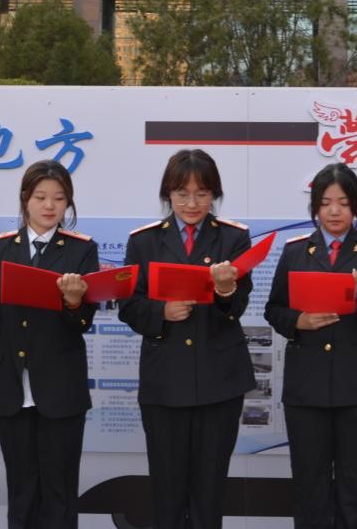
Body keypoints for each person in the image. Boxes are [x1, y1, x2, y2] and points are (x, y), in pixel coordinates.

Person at [119, 149, 254, 529]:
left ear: (214, 194)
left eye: (202, 194)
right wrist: (161, 312)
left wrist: (225, 290)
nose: (192, 204)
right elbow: (129, 306)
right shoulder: (144, 242)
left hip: (219, 381)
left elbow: (238, 307)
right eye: (182, 194)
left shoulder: (234, 237)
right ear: (168, 194)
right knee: (166, 489)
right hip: (165, 383)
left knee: (210, 490)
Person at [264, 163, 357, 528]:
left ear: (356, 205)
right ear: (315, 207)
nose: (334, 211)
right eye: (325, 203)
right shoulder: (295, 251)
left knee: (356, 488)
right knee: (310, 488)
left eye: (343, 203)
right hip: (306, 390)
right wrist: (299, 322)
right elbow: (274, 309)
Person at [0, 160, 99, 528]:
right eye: (41, 197)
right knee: (21, 488)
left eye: (59, 198)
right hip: (11, 388)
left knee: (59, 490)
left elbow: (83, 323)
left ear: (68, 203)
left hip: (61, 390)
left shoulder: (81, 250)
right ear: (25, 199)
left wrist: (74, 302)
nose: (49, 206)